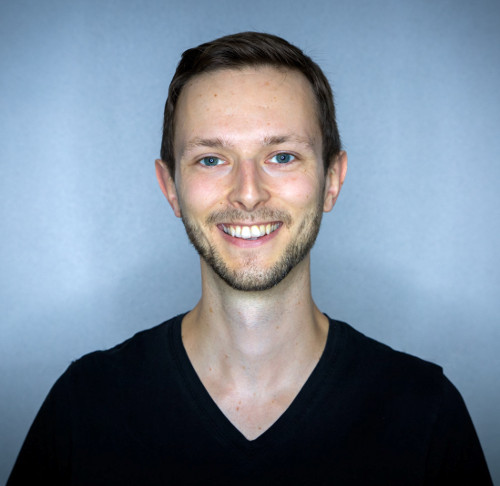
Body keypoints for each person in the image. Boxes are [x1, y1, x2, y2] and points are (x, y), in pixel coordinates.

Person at [8, 32, 492, 485]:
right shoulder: (83, 406)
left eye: (281, 156)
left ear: (332, 180)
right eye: (211, 159)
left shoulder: (425, 411)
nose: (248, 193)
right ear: (170, 187)